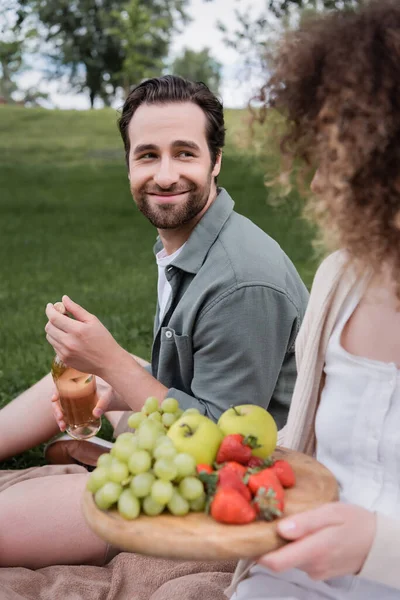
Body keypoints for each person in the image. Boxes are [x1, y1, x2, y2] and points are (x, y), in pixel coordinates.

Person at [0, 75, 308, 568]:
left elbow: (224, 447)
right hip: (194, 428)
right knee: (89, 377)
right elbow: (189, 390)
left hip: (240, 481)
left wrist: (112, 363)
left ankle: (97, 465)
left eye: (185, 153)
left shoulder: (242, 282)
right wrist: (111, 381)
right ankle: (94, 447)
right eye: (147, 155)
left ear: (216, 161)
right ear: (128, 164)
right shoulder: (190, 241)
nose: (165, 176)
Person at [228, 1, 400, 598]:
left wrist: (378, 547)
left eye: (341, 155)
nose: (319, 181)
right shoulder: (341, 278)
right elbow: (305, 452)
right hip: (298, 578)